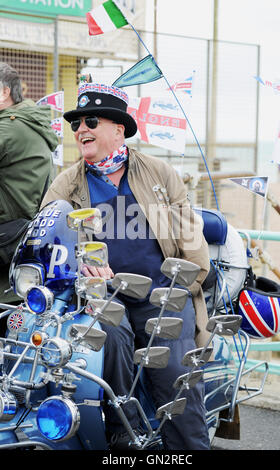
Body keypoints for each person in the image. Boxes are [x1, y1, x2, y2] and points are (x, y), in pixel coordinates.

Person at [41, 80, 211, 450]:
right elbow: (50, 249)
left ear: (118, 129)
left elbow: (195, 252)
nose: (80, 129)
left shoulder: (160, 175)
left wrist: (179, 290)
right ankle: (126, 435)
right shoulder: (64, 186)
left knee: (175, 377)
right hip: (104, 297)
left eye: (90, 121)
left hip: (162, 295)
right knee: (109, 342)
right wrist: (77, 270)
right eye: (75, 124)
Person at [0, 62, 58, 332]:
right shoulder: (28, 125)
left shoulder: (9, 129)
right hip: (20, 244)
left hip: (7, 240)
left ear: (4, 93)